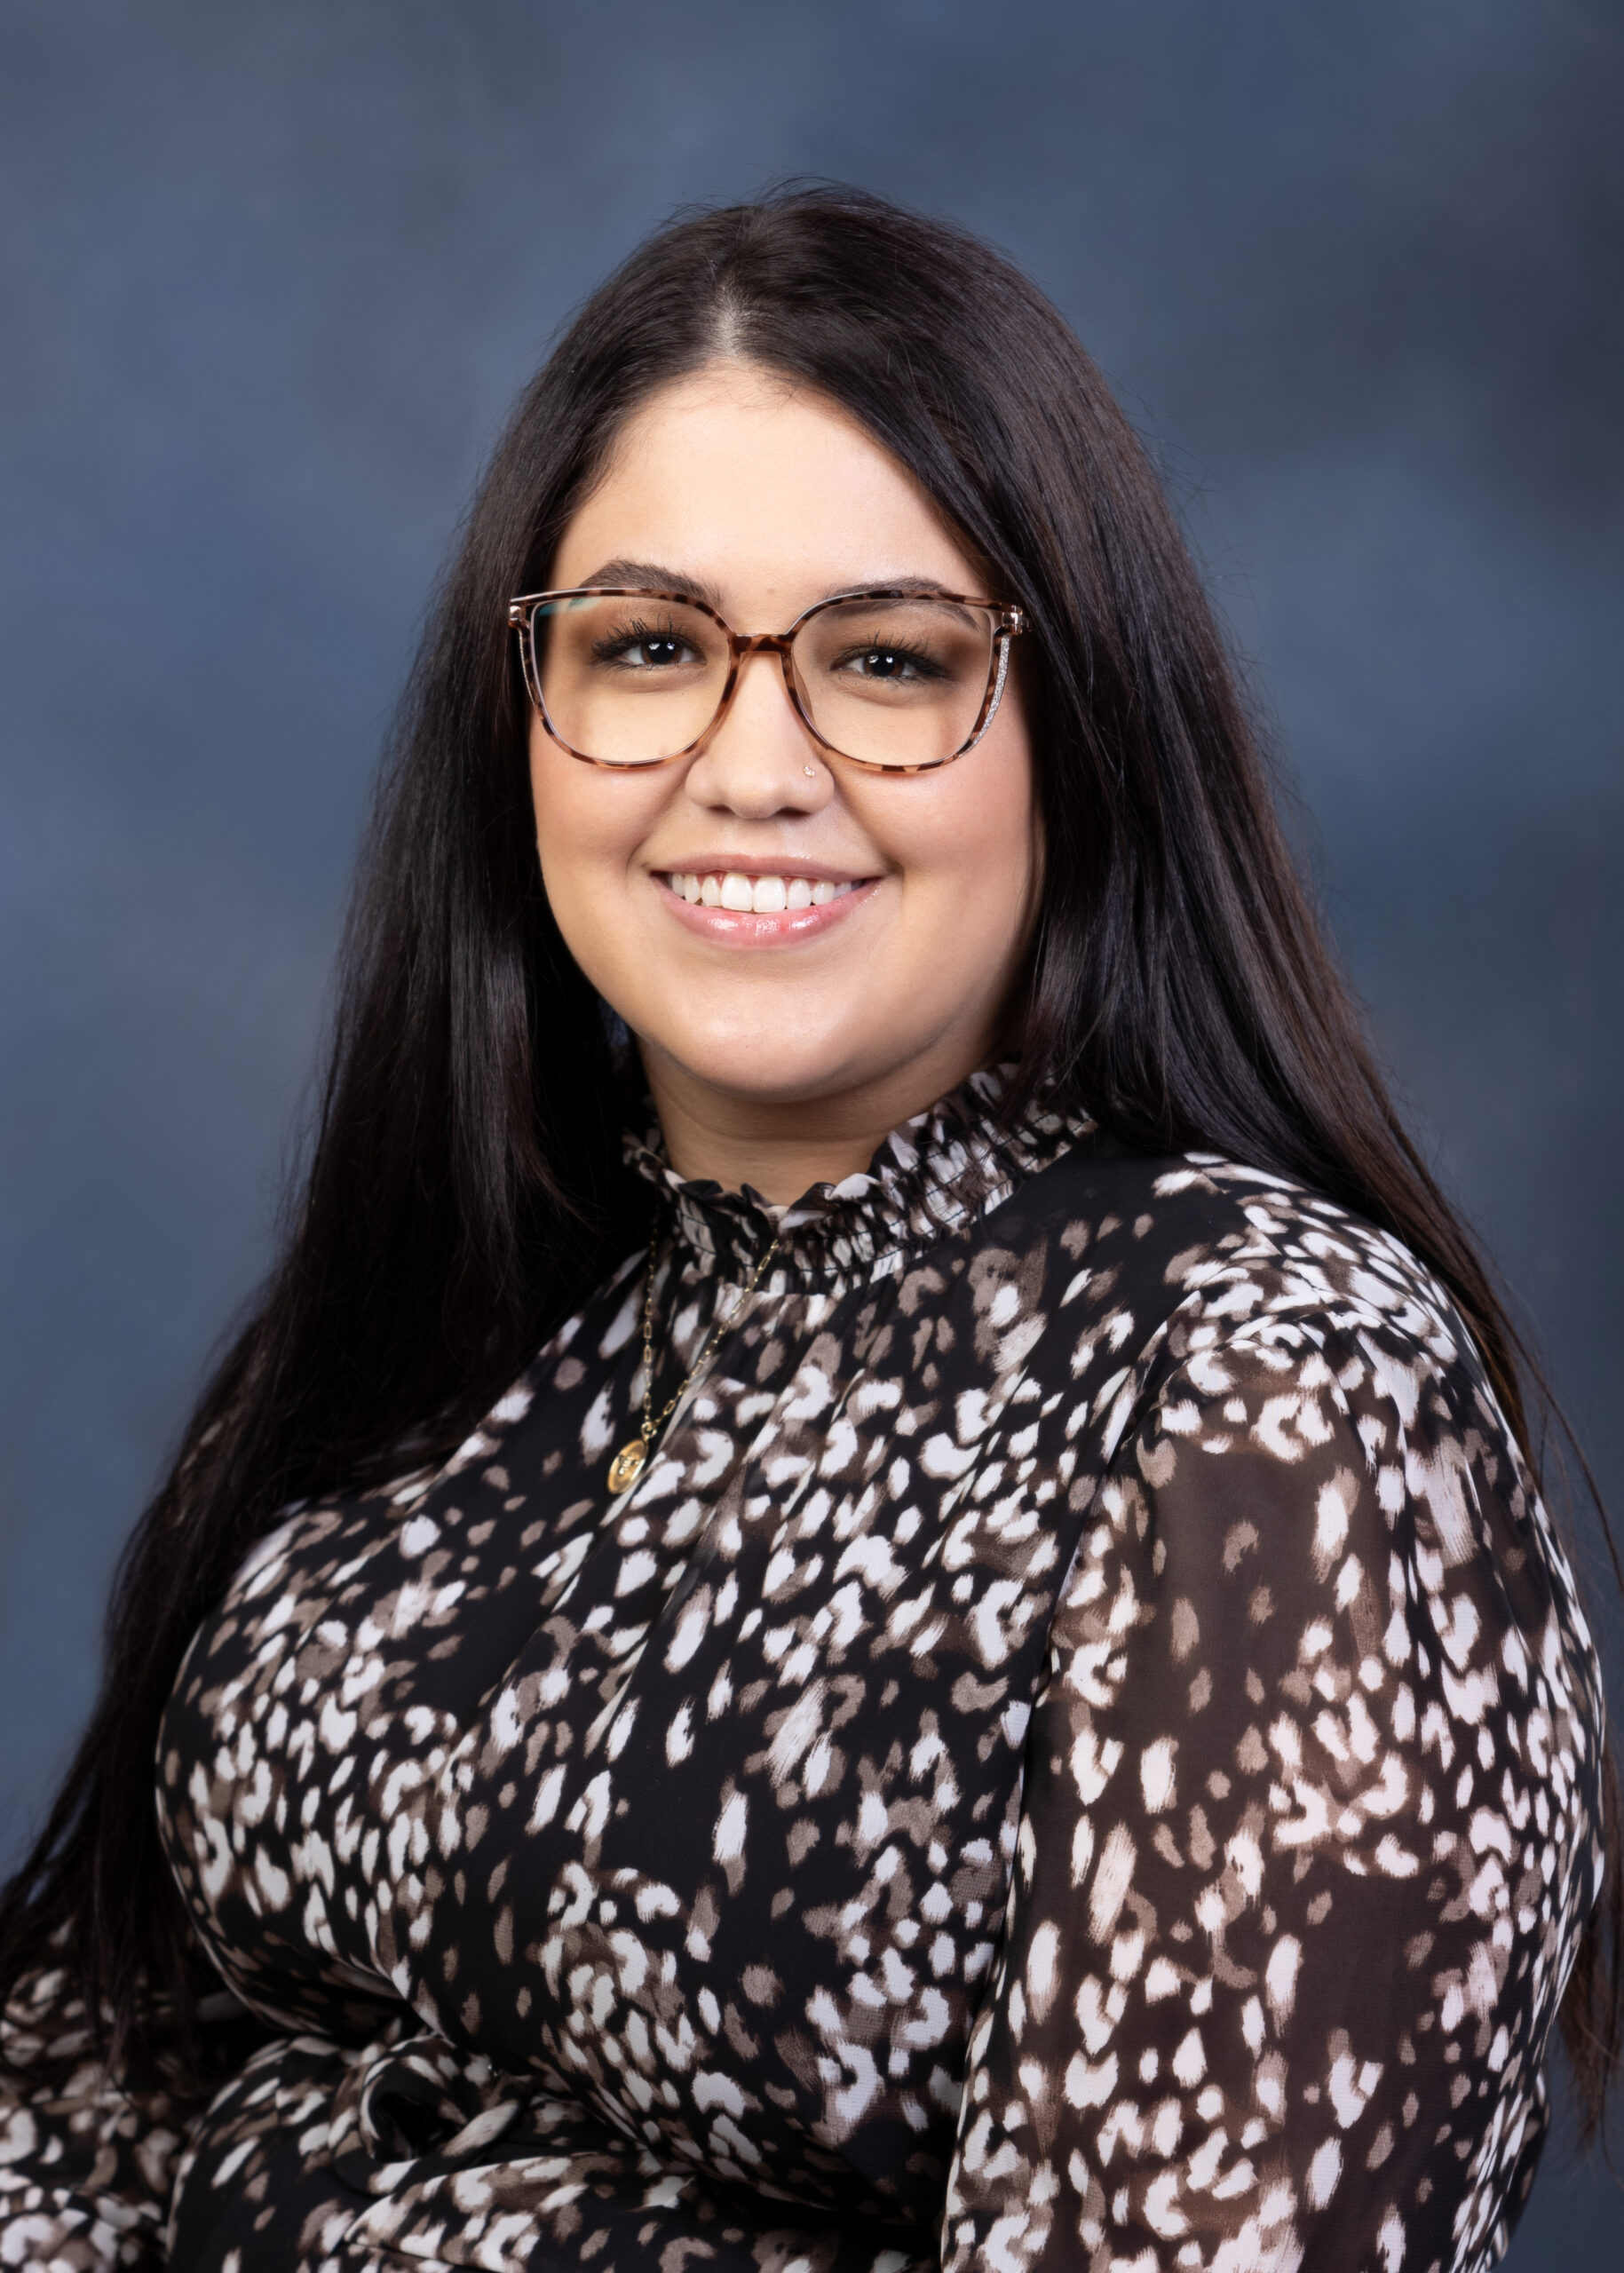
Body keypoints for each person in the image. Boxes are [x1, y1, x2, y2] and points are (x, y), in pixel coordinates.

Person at [0, 186, 1612, 2273]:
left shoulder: (1274, 1403)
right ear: (526, 715)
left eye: (885, 658)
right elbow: (86, 2085)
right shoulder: (453, 1303)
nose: (753, 764)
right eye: (651, 646)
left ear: (1075, 730)